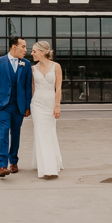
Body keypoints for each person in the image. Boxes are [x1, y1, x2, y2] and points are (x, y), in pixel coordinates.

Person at [0, 37, 32, 178]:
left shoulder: (26, 64)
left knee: (16, 135)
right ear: (14, 46)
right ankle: (2, 165)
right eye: (23, 46)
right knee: (3, 134)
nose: (26, 50)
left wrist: (27, 106)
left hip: (18, 107)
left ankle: (14, 161)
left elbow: (27, 87)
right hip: (2, 106)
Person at [30, 41, 64, 179]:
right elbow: (32, 88)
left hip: (50, 104)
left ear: (42, 52)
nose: (31, 54)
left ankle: (52, 161)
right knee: (40, 132)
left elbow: (59, 87)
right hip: (37, 104)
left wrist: (57, 105)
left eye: (34, 51)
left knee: (49, 132)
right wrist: (30, 105)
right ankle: (48, 168)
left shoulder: (56, 66)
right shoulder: (33, 69)